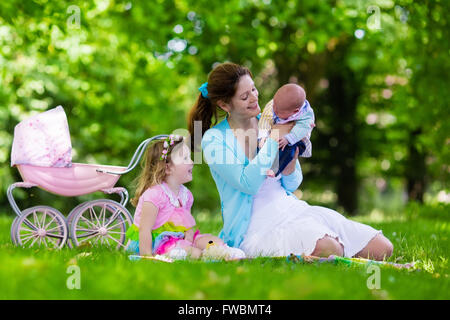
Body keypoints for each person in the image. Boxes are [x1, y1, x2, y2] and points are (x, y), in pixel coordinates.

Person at [188, 62, 393, 260]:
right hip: (256, 226)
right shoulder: (214, 139)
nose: (254, 97)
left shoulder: (269, 122)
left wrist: (291, 163)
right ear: (224, 104)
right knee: (330, 248)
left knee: (383, 248)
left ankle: (326, 247)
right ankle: (322, 249)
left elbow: (292, 184)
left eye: (253, 89)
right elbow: (248, 185)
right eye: (244, 96)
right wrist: (274, 139)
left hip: (291, 209)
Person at [126, 134, 245, 260]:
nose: (192, 162)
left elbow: (186, 221)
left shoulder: (186, 195)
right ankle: (200, 255)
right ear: (167, 168)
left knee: (211, 241)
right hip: (157, 242)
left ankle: (221, 250)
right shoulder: (154, 195)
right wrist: (147, 256)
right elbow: (144, 230)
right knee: (193, 253)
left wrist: (189, 235)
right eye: (185, 158)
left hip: (179, 238)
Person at [258, 84, 315, 177]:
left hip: (295, 139)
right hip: (276, 135)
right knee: (262, 142)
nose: (274, 109)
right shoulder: (275, 104)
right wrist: (263, 136)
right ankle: (262, 160)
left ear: (295, 111)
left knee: (289, 150)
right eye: (274, 105)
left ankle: (275, 169)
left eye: (279, 111)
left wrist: (288, 139)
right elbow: (266, 118)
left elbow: (302, 128)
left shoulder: (306, 114)